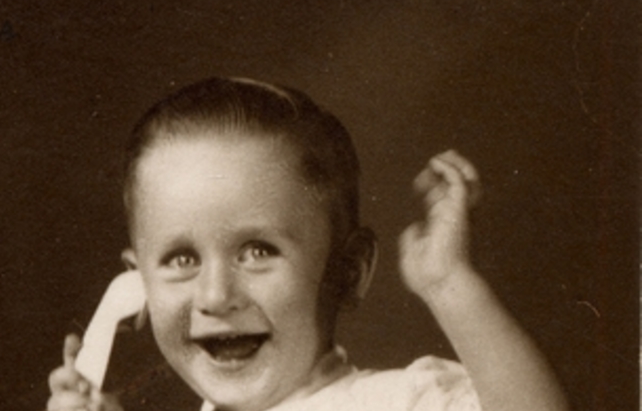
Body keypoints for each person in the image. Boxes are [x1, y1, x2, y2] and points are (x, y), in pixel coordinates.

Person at [47, 77, 568, 411]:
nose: (215, 295)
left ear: (349, 270)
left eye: (257, 251)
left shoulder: (394, 403)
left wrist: (450, 286)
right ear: (136, 286)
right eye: (182, 259)